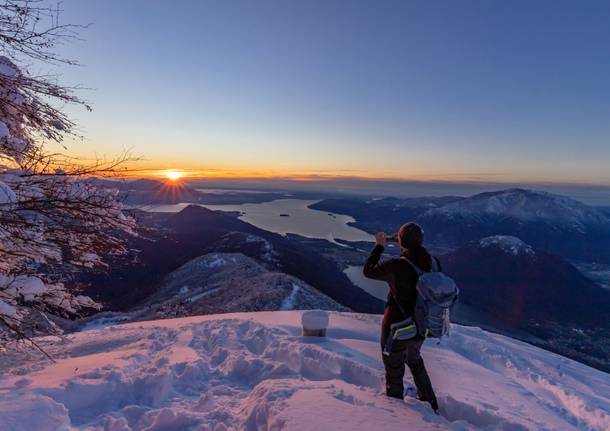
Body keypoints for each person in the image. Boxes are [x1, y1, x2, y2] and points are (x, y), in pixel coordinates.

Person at [363, 222, 439, 412]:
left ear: (401, 241)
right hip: (421, 326)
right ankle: (431, 404)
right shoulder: (434, 263)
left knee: (394, 368)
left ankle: (396, 412)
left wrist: (379, 245)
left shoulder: (397, 265)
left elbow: (368, 270)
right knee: (415, 361)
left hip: (397, 329)